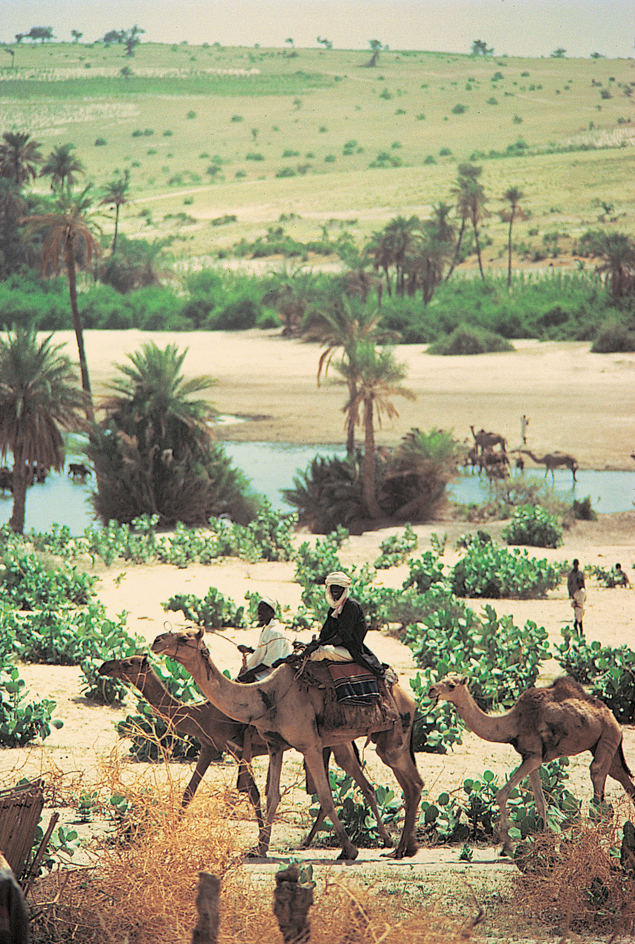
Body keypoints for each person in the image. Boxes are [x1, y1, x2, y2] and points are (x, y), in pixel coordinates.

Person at [304, 571, 385, 678]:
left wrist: (318, 645)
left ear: (344, 589)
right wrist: (315, 643)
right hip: (339, 648)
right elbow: (325, 633)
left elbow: (342, 636)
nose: (334, 590)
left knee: (324, 651)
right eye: (332, 587)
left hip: (351, 651)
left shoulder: (351, 607)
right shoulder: (334, 608)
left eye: (338, 587)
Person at [237, 596, 293, 682]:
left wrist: (248, 674)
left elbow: (271, 662)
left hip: (271, 673)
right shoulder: (266, 628)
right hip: (265, 669)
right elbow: (265, 651)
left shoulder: (276, 632)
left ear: (272, 613)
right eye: (259, 609)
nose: (259, 612)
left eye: (263, 610)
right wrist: (249, 650)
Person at [567, 558, 586, 633]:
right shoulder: (571, 574)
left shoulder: (580, 573)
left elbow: (583, 583)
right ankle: (580, 633)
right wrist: (570, 594)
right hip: (575, 594)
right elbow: (569, 584)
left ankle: (579, 633)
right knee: (578, 614)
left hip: (579, 595)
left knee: (578, 615)